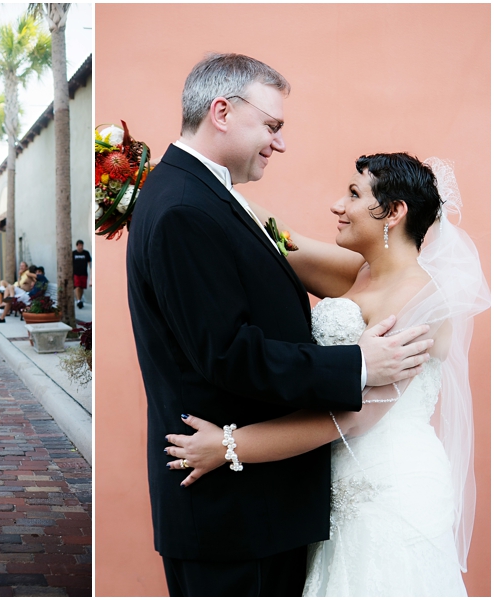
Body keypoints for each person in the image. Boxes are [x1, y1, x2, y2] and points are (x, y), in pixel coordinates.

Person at [126, 53, 434, 597]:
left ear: (395, 213)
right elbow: (227, 352)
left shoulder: (201, 196)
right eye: (272, 126)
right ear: (222, 112)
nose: (280, 142)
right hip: (238, 515)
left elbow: (324, 268)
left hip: (271, 506)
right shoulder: (184, 208)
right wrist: (359, 361)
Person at [165, 154, 489, 596]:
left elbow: (355, 417)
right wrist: (194, 175)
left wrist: (228, 445)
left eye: (355, 195)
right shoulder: (360, 272)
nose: (338, 205)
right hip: (331, 488)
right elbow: (282, 239)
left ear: (394, 212)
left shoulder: (419, 301)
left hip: (387, 489)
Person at [72, 240, 91, 309]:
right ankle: (78, 300)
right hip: (76, 273)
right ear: (77, 246)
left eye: (81, 245)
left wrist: (91, 270)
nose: (80, 247)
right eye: (79, 245)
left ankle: (79, 300)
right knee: (77, 286)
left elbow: (89, 262)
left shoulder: (86, 253)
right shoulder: (73, 253)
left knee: (82, 287)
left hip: (84, 273)